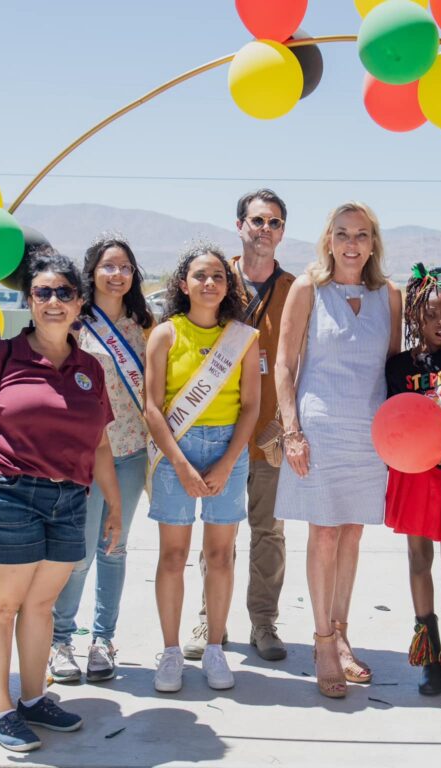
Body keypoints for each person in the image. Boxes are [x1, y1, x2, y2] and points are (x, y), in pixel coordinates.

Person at [0, 248, 122, 753]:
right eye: (43, 292)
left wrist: (114, 505)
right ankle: (1, 711)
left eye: (65, 292)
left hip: (69, 500)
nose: (54, 301)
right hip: (6, 494)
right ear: (29, 301)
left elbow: (101, 444)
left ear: (80, 302)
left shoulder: (91, 369)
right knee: (1, 607)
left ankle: (34, 699)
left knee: (41, 606)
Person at [274, 202, 402, 699]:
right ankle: (323, 642)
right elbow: (285, 364)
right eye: (343, 234)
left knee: (351, 535)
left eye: (362, 235)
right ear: (329, 240)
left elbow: (392, 367)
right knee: (324, 534)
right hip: (319, 430)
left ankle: (343, 632)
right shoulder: (309, 288)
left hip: (369, 434)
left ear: (373, 243)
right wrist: (292, 431)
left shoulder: (388, 294)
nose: (352, 244)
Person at [183, 189, 296, 663]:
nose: (264, 230)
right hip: (218, 431)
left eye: (273, 222)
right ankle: (212, 620)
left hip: (269, 433)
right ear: (239, 226)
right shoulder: (213, 278)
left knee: (269, 533)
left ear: (282, 231)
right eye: (256, 221)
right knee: (219, 532)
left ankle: (264, 622)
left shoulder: (295, 288)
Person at [144, 243, 260, 694]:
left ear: (228, 285)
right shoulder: (165, 335)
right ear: (182, 283)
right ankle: (171, 652)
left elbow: (250, 407)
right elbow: (153, 408)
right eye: (199, 275)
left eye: (217, 276)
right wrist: (181, 464)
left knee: (220, 556)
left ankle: (214, 648)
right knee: (172, 557)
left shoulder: (243, 339)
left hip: (227, 448)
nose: (209, 283)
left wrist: (228, 461)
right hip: (177, 450)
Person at [50, 235, 153, 684]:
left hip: (129, 451)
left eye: (125, 267)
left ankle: (103, 639)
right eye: (108, 266)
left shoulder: (144, 325)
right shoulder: (74, 323)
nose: (117, 274)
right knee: (78, 553)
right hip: (82, 455)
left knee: (114, 546)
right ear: (91, 272)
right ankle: (60, 640)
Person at [384, 264, 441, 696]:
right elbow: (394, 419)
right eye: (431, 315)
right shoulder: (398, 365)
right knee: (419, 562)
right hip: (413, 474)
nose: (440, 322)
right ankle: (429, 654)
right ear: (414, 318)